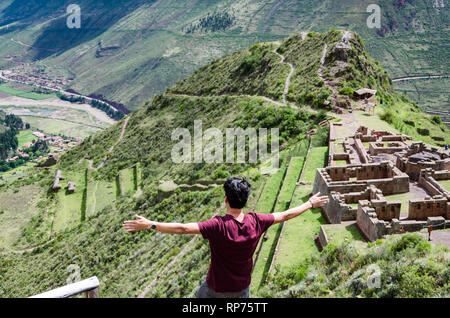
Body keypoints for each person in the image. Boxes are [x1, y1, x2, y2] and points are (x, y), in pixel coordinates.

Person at [123, 176, 329, 298]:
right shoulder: (257, 221)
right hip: (241, 290)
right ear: (245, 200)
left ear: (225, 200)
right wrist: (310, 203)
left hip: (215, 289)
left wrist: (150, 224)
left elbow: (183, 229)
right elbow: (285, 215)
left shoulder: (218, 226)